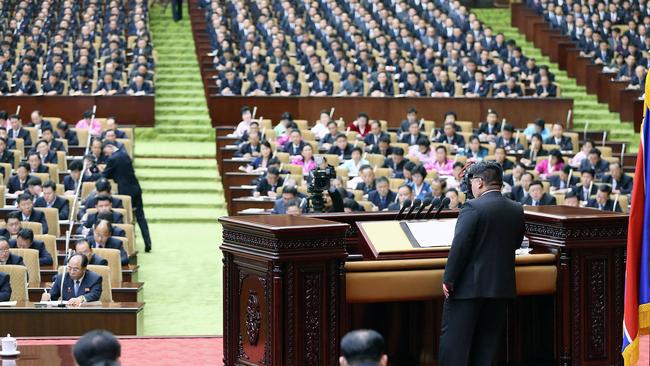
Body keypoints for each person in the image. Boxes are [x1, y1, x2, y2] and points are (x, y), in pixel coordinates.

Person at [439, 161, 525, 366]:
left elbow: (460, 247)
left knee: (456, 347)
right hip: (500, 288)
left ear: (479, 182)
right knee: (488, 348)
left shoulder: (472, 207)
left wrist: (449, 279)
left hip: (468, 288)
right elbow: (515, 243)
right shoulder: (516, 208)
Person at [101, 142, 152, 252]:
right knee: (140, 217)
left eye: (106, 152)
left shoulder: (112, 159)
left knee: (125, 218)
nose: (106, 155)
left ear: (109, 148)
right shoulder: (124, 153)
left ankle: (130, 247)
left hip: (125, 192)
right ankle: (148, 242)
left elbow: (105, 175)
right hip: (136, 188)